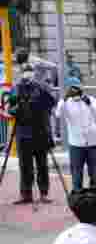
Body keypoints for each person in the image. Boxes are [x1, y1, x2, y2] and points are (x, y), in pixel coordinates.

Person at [6, 63, 56, 204]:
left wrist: (41, 90)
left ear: (34, 73)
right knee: (25, 166)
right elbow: (10, 108)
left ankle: (44, 193)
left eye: (30, 71)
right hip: (23, 133)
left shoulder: (40, 87)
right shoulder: (16, 88)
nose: (28, 74)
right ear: (21, 73)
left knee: (42, 165)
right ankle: (26, 194)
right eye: (25, 71)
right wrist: (19, 108)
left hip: (40, 132)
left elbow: (52, 102)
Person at [55, 80, 96, 191]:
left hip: (93, 143)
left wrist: (89, 104)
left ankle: (95, 197)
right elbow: (58, 113)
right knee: (77, 176)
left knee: (95, 175)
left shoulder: (90, 100)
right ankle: (79, 198)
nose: (76, 93)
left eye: (77, 89)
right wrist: (64, 99)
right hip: (76, 144)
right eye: (73, 90)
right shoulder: (66, 103)